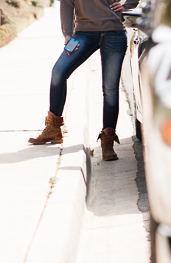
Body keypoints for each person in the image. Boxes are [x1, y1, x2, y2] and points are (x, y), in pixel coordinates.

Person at [28, 0, 137, 161]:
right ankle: (53, 129)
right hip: (83, 34)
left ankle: (107, 140)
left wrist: (127, 6)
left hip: (114, 32)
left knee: (110, 88)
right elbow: (66, 4)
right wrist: (67, 33)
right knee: (58, 71)